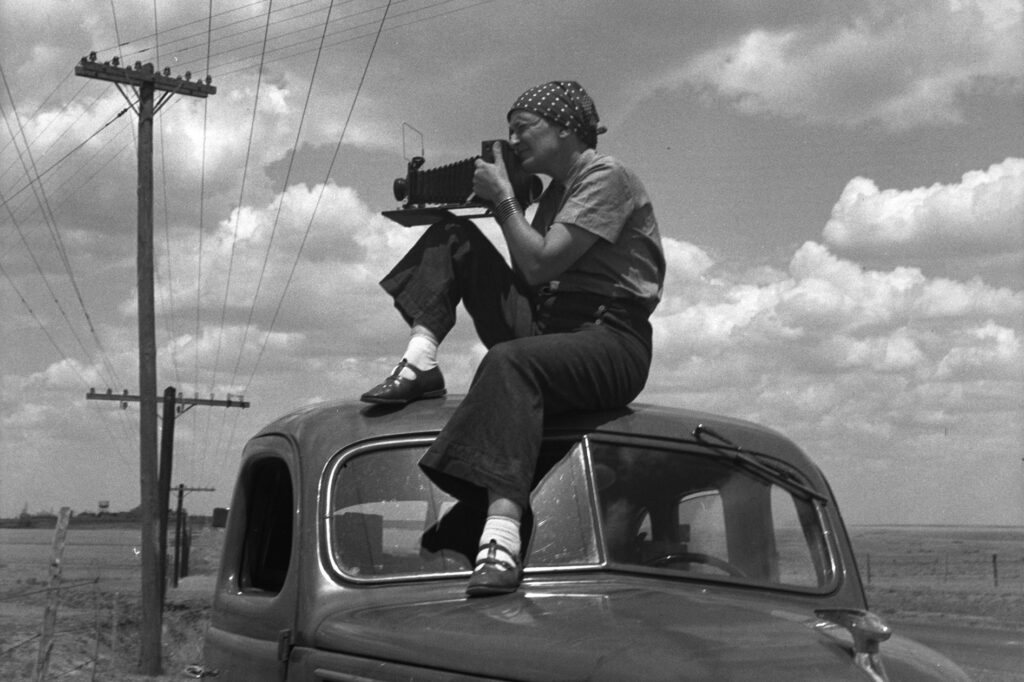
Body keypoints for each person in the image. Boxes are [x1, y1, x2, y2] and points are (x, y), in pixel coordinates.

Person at [361, 80, 665, 596]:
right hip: (552, 325)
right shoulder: (555, 196)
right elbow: (530, 277)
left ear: (565, 128)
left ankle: (501, 538)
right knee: (452, 236)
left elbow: (541, 263)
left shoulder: (606, 176)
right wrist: (500, 212)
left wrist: (504, 202)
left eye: (524, 128)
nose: (514, 140)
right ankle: (420, 359)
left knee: (511, 362)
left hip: (610, 337)